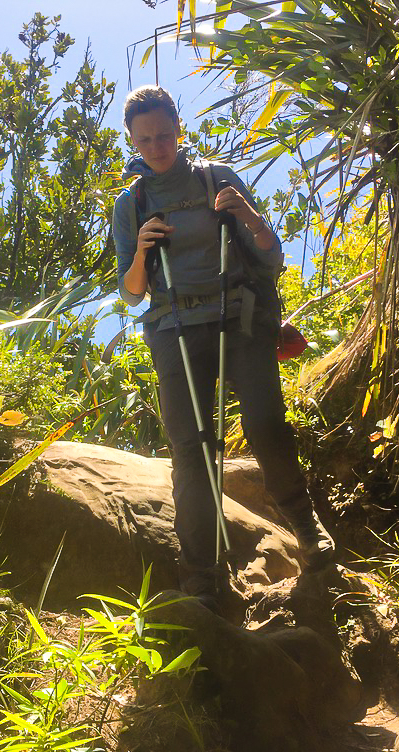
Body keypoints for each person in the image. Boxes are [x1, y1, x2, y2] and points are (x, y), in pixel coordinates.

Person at [112, 85, 335, 611]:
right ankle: (203, 574)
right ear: (132, 139)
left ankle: (305, 528)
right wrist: (143, 249)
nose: (157, 146)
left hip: (238, 316)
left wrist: (247, 215)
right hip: (174, 328)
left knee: (264, 424)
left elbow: (269, 254)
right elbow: (130, 291)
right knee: (192, 450)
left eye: (164, 134)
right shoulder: (132, 203)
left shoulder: (216, 177)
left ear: (177, 127)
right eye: (145, 139)